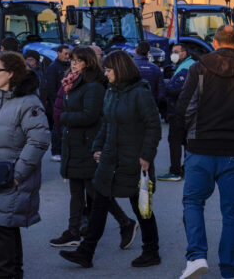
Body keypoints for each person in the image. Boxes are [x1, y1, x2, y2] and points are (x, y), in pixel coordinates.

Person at [175, 25, 234, 279]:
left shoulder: (199, 68)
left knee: (193, 202)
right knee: (232, 213)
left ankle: (196, 257)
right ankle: (229, 271)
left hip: (201, 147)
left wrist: (187, 137)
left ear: (215, 43)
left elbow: (185, 109)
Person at [59, 50, 162, 269]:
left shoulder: (139, 93)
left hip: (133, 161)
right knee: (98, 205)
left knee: (142, 208)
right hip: (110, 160)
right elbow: (106, 123)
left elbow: (154, 126)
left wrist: (146, 156)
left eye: (108, 69)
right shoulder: (112, 92)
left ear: (120, 69)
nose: (105, 74)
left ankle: (151, 251)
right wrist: (97, 147)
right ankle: (85, 252)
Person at [49, 46, 138, 250]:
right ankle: (73, 231)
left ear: (88, 63)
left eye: (78, 60)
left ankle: (125, 222)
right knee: (77, 191)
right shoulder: (72, 83)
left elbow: (91, 115)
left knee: (96, 192)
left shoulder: (93, 86)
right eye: (72, 60)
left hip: (87, 145)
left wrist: (63, 118)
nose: (73, 63)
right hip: (74, 144)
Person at [0, 51, 50, 279]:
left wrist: (18, 174)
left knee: (5, 232)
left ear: (11, 74)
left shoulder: (28, 103)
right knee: (6, 230)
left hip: (11, 178)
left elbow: (40, 139)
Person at [159, 43, 195, 181]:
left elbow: (175, 89)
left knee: (174, 141)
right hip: (187, 110)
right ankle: (187, 168)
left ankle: (175, 171)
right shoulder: (188, 64)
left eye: (176, 51)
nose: (173, 54)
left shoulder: (186, 67)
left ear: (184, 53)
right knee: (186, 141)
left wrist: (165, 87)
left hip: (179, 111)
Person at [46, 44, 71, 161]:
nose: (67, 56)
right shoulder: (53, 68)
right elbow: (51, 88)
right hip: (57, 102)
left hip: (66, 102)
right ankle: (56, 151)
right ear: (58, 53)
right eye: (65, 54)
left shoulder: (69, 66)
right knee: (57, 127)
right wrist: (55, 102)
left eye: (68, 54)